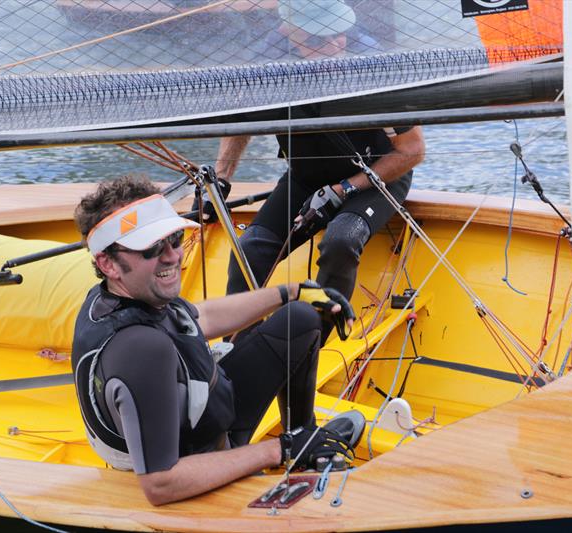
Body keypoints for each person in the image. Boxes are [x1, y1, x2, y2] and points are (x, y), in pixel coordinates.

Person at [71, 175, 362, 506]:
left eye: (175, 239)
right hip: (198, 462)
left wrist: (292, 292)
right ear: (108, 263)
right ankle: (300, 447)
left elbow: (201, 318)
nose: (171, 256)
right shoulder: (140, 348)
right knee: (286, 440)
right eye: (151, 247)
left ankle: (306, 441)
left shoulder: (123, 296)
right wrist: (279, 448)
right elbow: (161, 484)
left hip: (211, 416)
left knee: (303, 316)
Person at [219, 0, 425, 340]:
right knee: (250, 248)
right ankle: (238, 344)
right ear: (288, 32)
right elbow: (241, 121)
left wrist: (343, 190)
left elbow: (413, 150)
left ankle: (316, 341)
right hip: (306, 177)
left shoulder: (375, 67)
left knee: (342, 240)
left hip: (376, 177)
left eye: (338, 36)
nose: (330, 47)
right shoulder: (265, 65)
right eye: (316, 40)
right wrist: (223, 178)